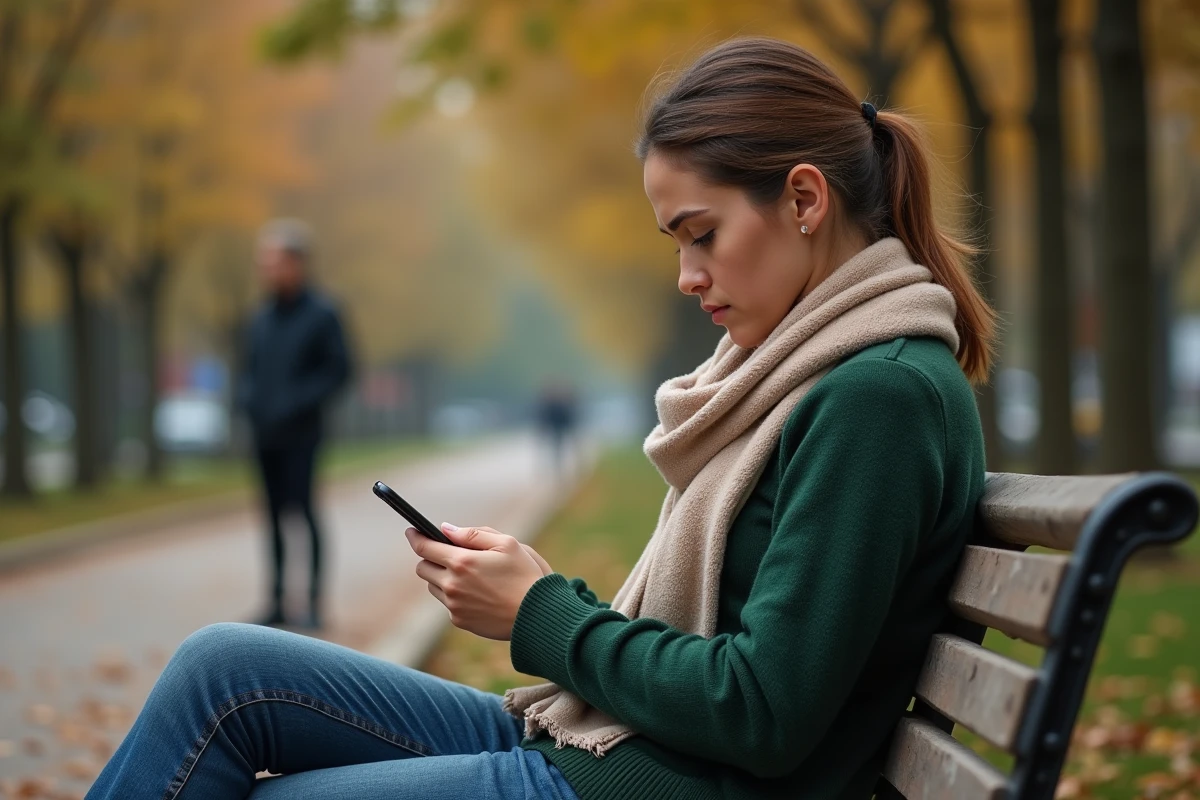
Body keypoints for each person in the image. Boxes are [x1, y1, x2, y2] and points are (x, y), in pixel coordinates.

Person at [87, 37, 993, 799]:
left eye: (701, 233)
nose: (687, 277)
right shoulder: (817, 373)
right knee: (222, 670)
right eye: (675, 244)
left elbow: (763, 711)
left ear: (803, 200)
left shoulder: (878, 394)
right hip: (623, 745)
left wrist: (543, 614)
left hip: (657, 778)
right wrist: (539, 595)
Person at [237, 219, 351, 630]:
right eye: (263, 262)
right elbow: (249, 369)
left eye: (275, 261)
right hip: (265, 434)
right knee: (270, 518)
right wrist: (247, 399)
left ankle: (316, 603)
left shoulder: (323, 313)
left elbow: (340, 369)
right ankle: (277, 601)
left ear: (298, 263)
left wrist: (296, 401)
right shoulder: (260, 317)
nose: (267, 269)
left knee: (304, 513)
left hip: (303, 434)